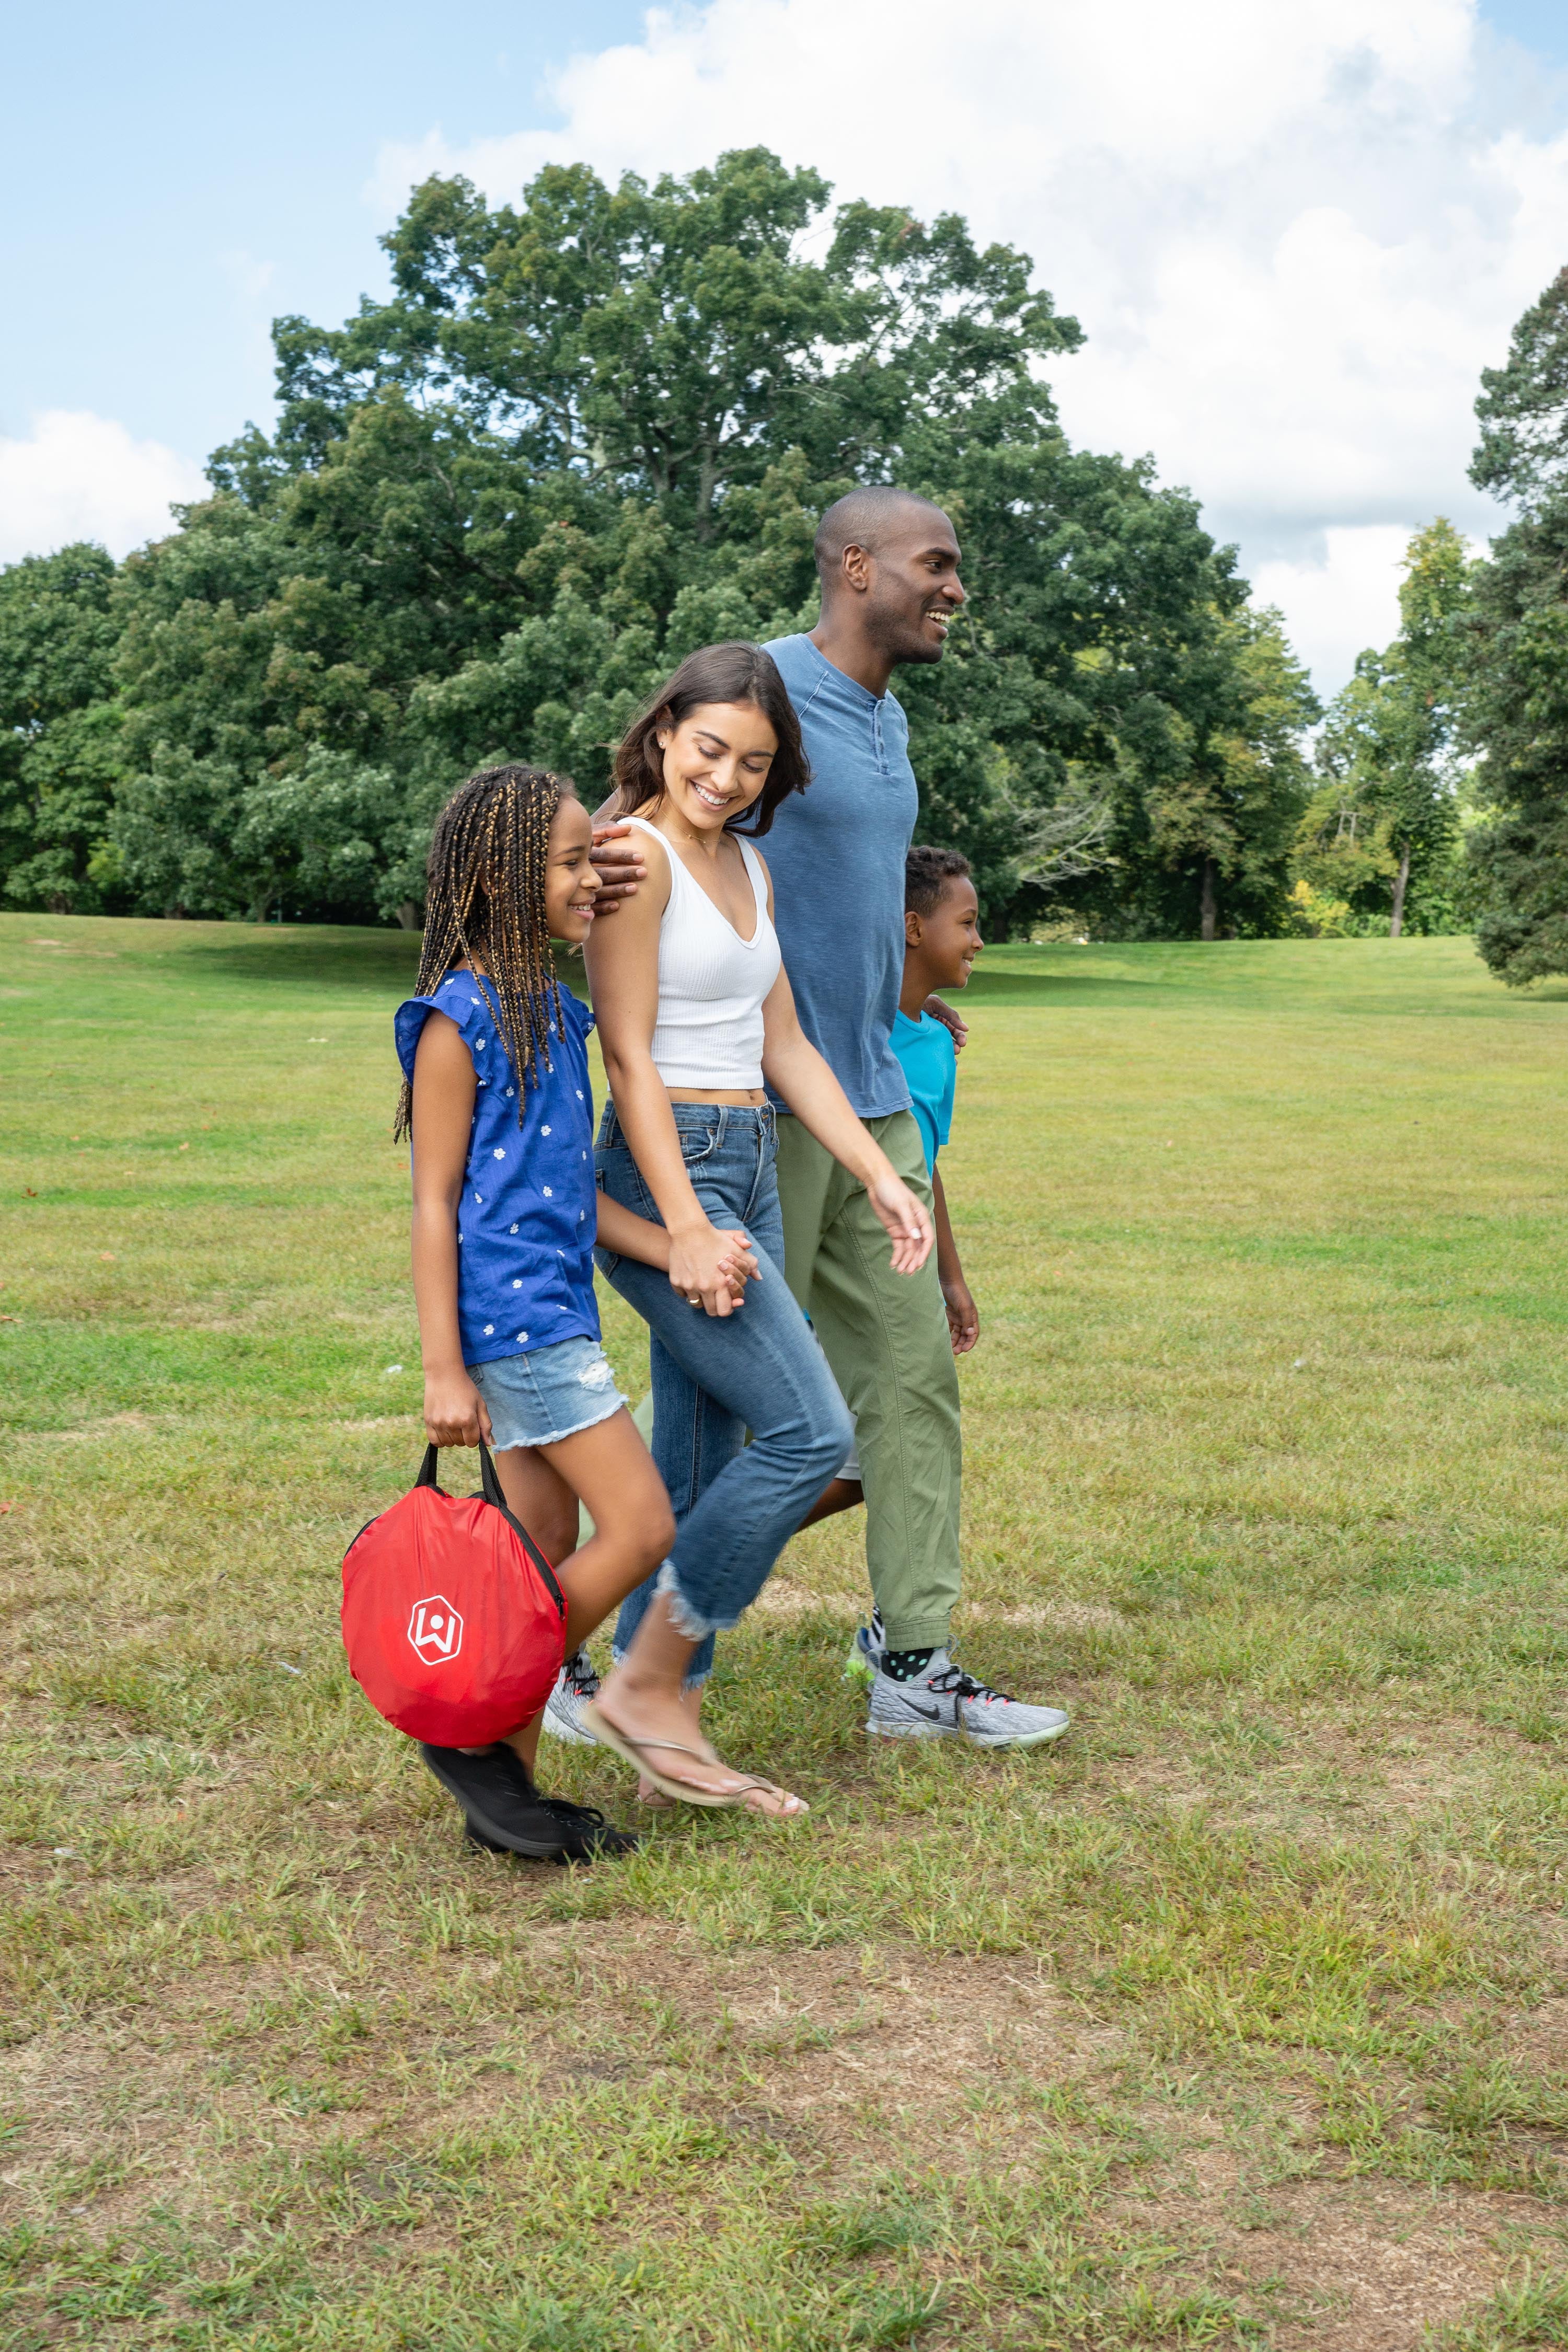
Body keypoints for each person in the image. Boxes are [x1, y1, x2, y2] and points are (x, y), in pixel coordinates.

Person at [582, 487, 1069, 1747]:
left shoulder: (890, 719)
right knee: (729, 1416)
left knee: (914, 1385)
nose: (955, 589)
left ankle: (915, 1663)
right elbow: (644, 834)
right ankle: (622, 1665)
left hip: (867, 1099)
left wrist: (901, 1000)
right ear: (857, 567)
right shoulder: (760, 693)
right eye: (935, 565)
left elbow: (844, 899)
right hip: (748, 1122)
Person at [577, 640, 937, 1811]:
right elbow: (628, 1056)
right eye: (709, 749)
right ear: (665, 732)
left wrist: (876, 1174)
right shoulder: (634, 859)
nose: (725, 779)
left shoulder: (749, 866)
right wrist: (683, 1225)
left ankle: (662, 1718)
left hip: (751, 1157)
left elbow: (785, 1045)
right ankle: (647, 1682)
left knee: (701, 1449)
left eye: (754, 763)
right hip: (669, 1168)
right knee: (811, 1434)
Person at [395, 762, 758, 1862]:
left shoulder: (555, 1012)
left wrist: (677, 1242)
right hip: (517, 1329)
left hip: (558, 1311)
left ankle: (504, 1787)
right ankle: (481, 1730)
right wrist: (442, 1369)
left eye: (589, 860)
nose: (589, 880)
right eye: (565, 865)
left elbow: (570, 1194)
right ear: (499, 881)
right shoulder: (457, 1020)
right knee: (641, 1527)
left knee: (544, 1543)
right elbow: (434, 1202)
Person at [806, 841, 984, 1534]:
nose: (978, 941)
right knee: (821, 1448)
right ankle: (686, 1552)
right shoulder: (846, 1037)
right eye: (966, 923)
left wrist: (951, 1276)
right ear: (912, 927)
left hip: (899, 1278)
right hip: (831, 1281)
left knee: (868, 1461)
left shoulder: (936, 1042)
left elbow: (921, 1164)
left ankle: (700, 1553)